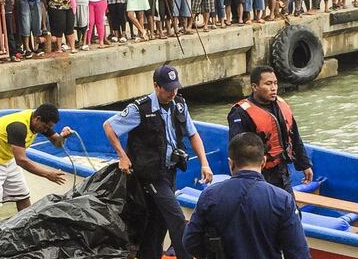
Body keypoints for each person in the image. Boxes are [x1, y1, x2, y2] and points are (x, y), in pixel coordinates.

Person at [103, 65, 213, 259]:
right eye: (168, 89)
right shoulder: (140, 109)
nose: (172, 92)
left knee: (158, 221)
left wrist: (204, 163)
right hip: (151, 174)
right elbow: (109, 126)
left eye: (175, 88)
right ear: (156, 86)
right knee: (177, 218)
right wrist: (122, 156)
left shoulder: (179, 104)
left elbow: (193, 134)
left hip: (170, 171)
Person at [183, 132, 311, 259]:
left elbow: (190, 241)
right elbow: (298, 252)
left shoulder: (210, 195)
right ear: (263, 162)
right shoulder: (283, 200)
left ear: (230, 163)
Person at [0, 104, 71, 224]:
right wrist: (47, 174)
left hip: (8, 158)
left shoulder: (37, 123)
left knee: (23, 196)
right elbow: (21, 160)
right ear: (38, 119)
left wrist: (63, 136)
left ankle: (26, 227)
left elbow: (57, 143)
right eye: (46, 127)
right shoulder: (18, 127)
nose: (46, 130)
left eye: (49, 127)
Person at [227, 65, 313, 195]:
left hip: (282, 172)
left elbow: (295, 136)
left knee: (291, 210)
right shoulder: (240, 113)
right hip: (259, 176)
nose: (274, 88)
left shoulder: (281, 105)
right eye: (268, 84)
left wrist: (304, 164)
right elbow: (238, 151)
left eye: (275, 83)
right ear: (255, 87)